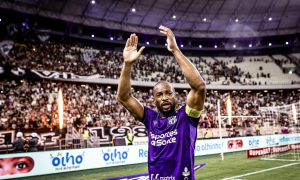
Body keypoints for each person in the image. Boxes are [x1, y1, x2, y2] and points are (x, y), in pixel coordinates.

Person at [117, 26, 206, 180]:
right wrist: (127, 64)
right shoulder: (150, 119)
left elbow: (200, 88)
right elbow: (124, 97)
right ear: (154, 99)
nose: (164, 97)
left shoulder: (187, 118)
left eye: (168, 93)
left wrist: (175, 50)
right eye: (159, 94)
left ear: (175, 96)